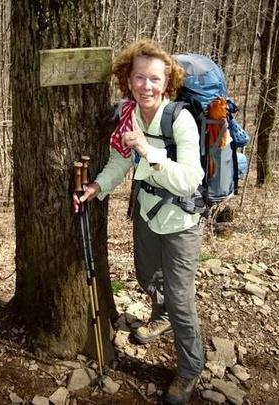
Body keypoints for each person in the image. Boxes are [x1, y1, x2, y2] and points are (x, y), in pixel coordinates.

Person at [73, 39, 205, 404]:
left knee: (181, 299)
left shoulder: (180, 119)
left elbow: (190, 180)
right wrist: (97, 187)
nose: (146, 86)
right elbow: (120, 161)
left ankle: (190, 368)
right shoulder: (129, 114)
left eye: (155, 79)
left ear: (167, 83)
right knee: (147, 275)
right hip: (147, 212)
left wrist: (149, 151)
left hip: (181, 219)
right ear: (128, 79)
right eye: (139, 77)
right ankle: (162, 317)